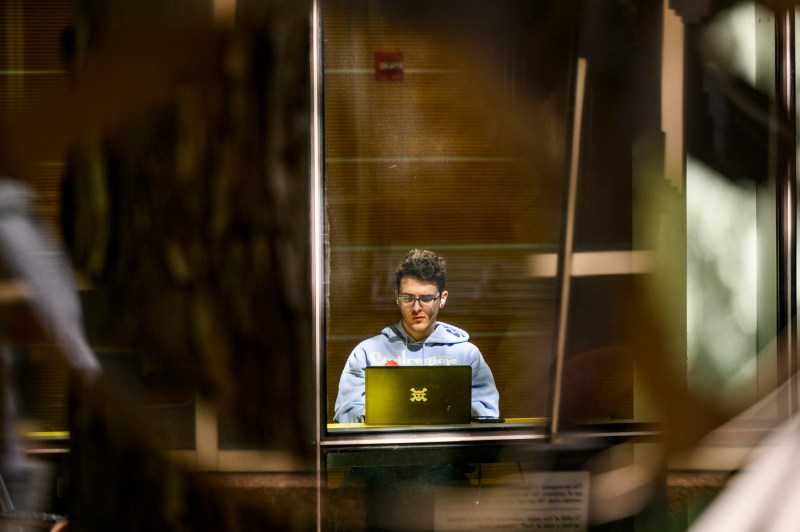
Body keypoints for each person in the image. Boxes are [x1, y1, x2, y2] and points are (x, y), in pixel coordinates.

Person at [334, 248, 499, 423]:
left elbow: (488, 412)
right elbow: (345, 414)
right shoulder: (366, 353)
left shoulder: (466, 354)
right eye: (408, 298)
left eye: (426, 299)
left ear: (442, 299)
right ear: (397, 297)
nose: (416, 308)